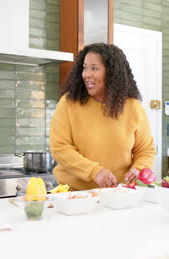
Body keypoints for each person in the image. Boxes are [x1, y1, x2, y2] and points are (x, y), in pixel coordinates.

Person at [50, 43, 156, 190]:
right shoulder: (68, 103)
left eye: (94, 68)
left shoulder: (133, 107)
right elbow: (60, 148)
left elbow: (145, 150)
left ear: (112, 73)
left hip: (118, 193)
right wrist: (95, 172)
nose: (86, 74)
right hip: (73, 193)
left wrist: (138, 168)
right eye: (85, 67)